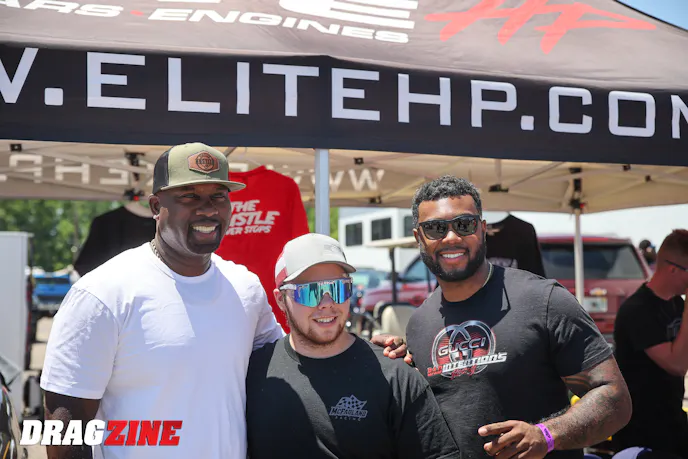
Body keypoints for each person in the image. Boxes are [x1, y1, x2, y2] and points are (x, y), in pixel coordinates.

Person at [40, 142, 405, 459]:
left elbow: (294, 359)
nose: (208, 209)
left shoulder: (244, 287)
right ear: (155, 205)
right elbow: (63, 425)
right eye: (189, 197)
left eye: (218, 196)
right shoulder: (103, 293)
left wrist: (365, 354)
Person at [401, 176, 631, 459]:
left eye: (464, 224)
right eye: (435, 228)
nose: (451, 238)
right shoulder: (419, 324)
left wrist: (546, 435)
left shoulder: (544, 300)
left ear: (482, 229)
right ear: (419, 238)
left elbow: (615, 398)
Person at [245, 233, 461, 459]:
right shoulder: (253, 372)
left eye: (338, 288)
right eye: (311, 292)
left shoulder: (396, 376)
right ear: (281, 299)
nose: (327, 303)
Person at [613, 229, 688, 458]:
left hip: (672, 420)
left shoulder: (676, 304)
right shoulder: (637, 311)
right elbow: (676, 364)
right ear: (673, 269)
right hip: (640, 429)